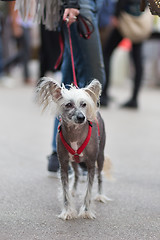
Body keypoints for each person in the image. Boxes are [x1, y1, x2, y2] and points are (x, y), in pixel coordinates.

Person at [10, 0, 106, 175]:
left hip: (87, 4)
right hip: (78, 4)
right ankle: (78, 154)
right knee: (94, 80)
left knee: (70, 80)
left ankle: (59, 153)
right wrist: (72, 2)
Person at [100, 0, 147, 108]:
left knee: (106, 54)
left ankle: (104, 95)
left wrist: (116, 14)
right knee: (137, 60)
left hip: (125, 18)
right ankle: (134, 98)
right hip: (139, 20)